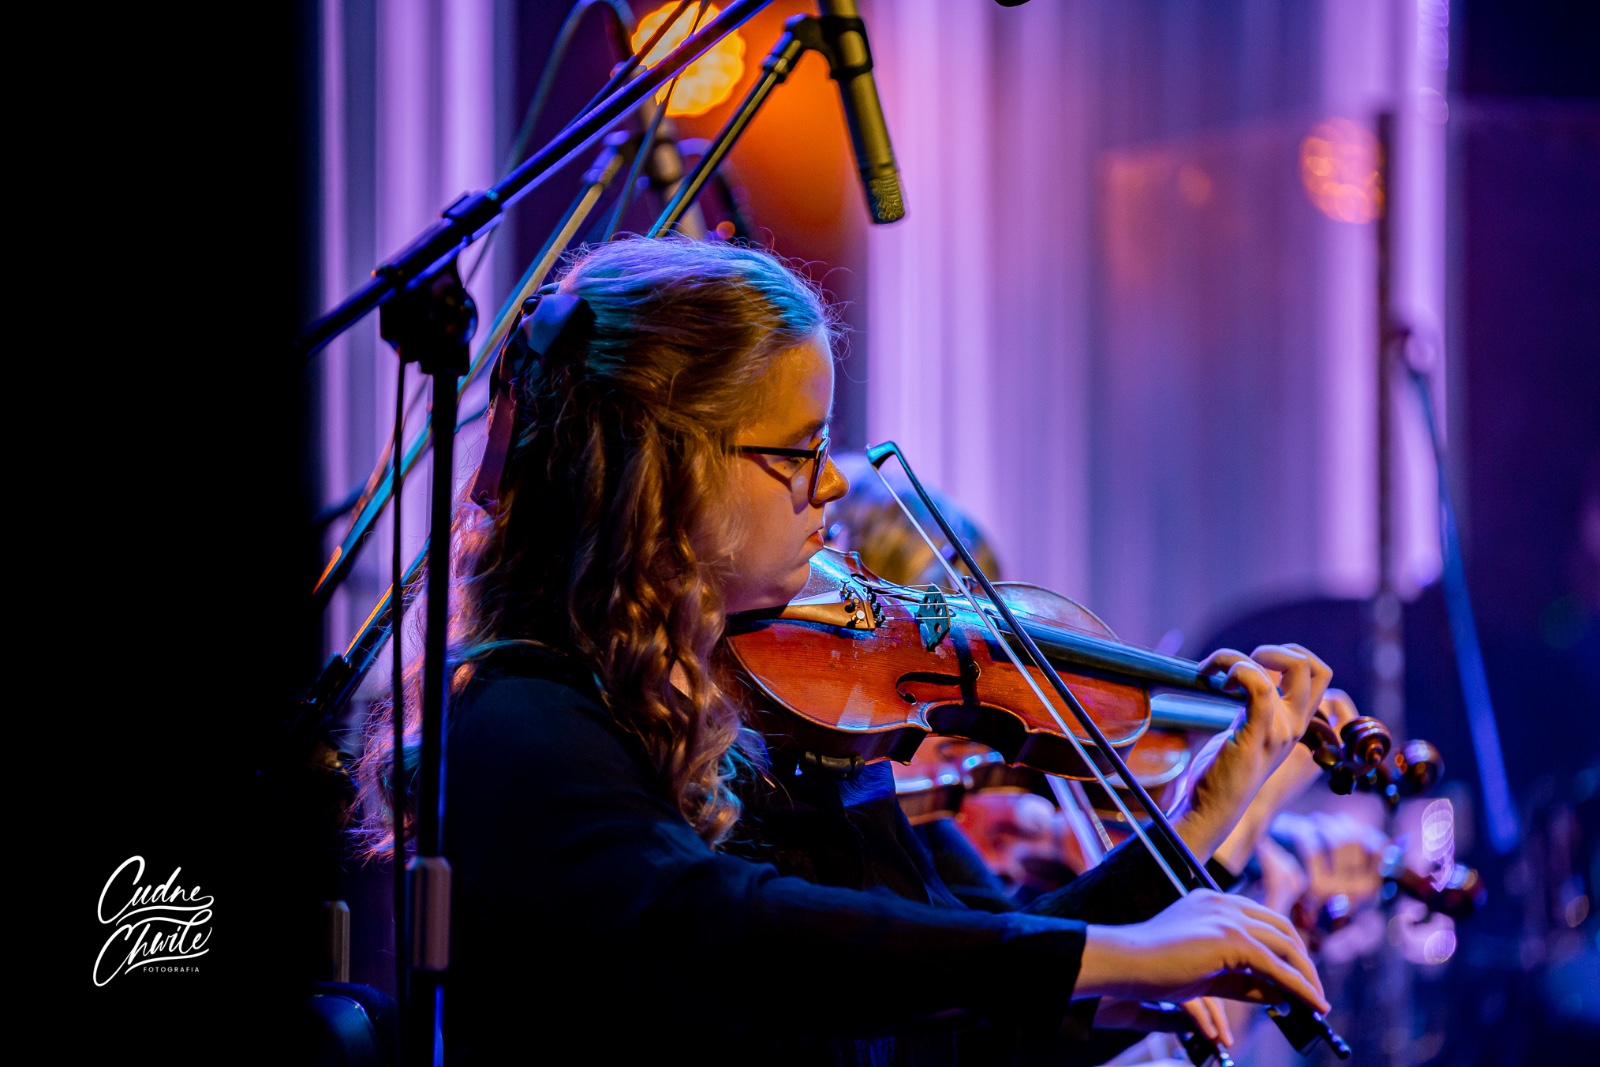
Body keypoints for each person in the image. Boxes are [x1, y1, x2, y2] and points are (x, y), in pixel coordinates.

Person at [353, 238, 1332, 1064]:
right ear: (666, 466)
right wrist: (1113, 958)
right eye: (799, 449)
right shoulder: (516, 720)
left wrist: (1200, 817)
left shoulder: (749, 723)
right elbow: (721, 923)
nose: (829, 485)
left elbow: (935, 1026)